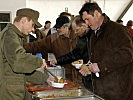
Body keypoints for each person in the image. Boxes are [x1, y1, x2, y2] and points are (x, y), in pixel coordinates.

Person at [79, 2, 133, 100]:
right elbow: (99, 58)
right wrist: (89, 67)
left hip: (119, 92)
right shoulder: (93, 34)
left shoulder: (117, 29)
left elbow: (127, 54)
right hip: (102, 91)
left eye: (87, 19)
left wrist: (100, 66)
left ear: (96, 14)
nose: (86, 23)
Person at [0, 8, 53, 100]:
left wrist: (44, 78)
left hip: (14, 90)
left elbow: (21, 71)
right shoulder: (9, 35)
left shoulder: (15, 36)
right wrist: (39, 61)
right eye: (32, 25)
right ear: (23, 20)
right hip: (9, 93)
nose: (33, 30)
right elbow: (18, 61)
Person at [24, 16, 78, 81]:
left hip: (81, 75)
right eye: (56, 27)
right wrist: (21, 47)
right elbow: (37, 45)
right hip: (64, 75)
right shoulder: (53, 38)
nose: (57, 29)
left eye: (59, 27)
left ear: (66, 27)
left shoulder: (78, 35)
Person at [50, 15, 93, 91]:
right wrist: (58, 60)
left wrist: (91, 64)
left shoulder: (95, 36)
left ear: (84, 26)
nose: (75, 33)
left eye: (77, 30)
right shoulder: (83, 37)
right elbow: (75, 54)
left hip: (96, 76)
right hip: (87, 74)